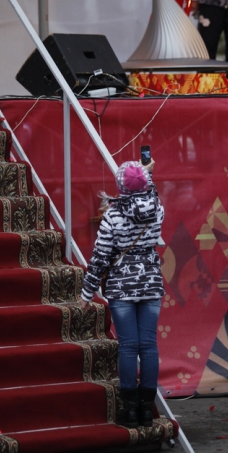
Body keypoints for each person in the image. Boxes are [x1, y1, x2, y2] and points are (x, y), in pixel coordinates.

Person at [80, 159, 164, 429]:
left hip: (121, 286)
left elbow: (101, 256)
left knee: (128, 346)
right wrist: (146, 175)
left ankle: (129, 411)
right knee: (148, 345)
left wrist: (87, 292)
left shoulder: (113, 215)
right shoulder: (158, 208)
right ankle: (146, 410)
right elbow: (150, 191)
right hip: (150, 282)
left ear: (120, 186)